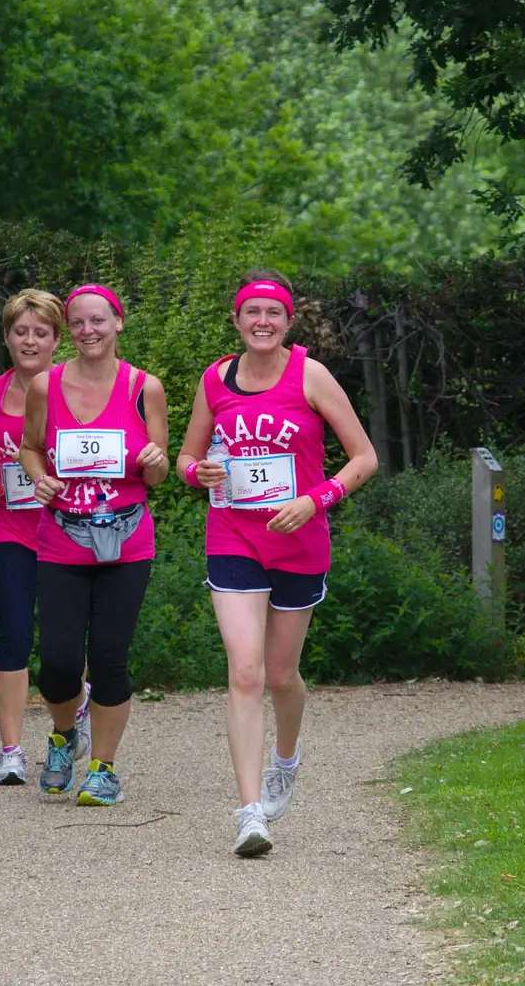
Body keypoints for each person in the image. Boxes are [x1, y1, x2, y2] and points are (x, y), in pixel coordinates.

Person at [175, 269, 377, 856]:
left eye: (274, 313)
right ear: (237, 320)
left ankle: (285, 757)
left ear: (288, 321)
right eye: (252, 312)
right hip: (233, 535)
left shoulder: (310, 374)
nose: (262, 322)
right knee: (245, 670)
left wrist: (316, 499)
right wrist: (197, 472)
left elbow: (363, 458)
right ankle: (249, 813)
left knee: (282, 675)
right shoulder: (215, 379)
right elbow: (190, 456)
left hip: (298, 541)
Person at [18, 283, 169, 806]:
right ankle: (64, 735)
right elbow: (30, 448)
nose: (88, 331)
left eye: (98, 321)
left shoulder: (144, 387)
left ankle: (103, 769)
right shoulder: (45, 386)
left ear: (118, 323)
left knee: (109, 657)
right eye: (78, 323)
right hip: (63, 538)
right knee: (58, 662)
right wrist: (39, 477)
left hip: (126, 540)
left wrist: (155, 463)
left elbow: (160, 470)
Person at [0, 289, 93, 785]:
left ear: (58, 340)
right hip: (9, 526)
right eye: (21, 331)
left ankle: (74, 716)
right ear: (7, 337)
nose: (31, 340)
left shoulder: (74, 389)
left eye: (41, 332)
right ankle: (11, 750)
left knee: (65, 639)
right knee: (13, 634)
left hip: (65, 524)